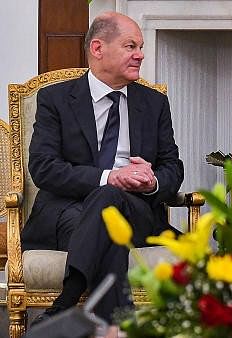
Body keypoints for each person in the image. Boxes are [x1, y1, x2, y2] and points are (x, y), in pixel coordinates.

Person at [22, 11, 184, 325]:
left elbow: (173, 169)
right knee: (108, 218)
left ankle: (66, 302)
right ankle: (118, 324)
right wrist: (110, 177)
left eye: (140, 47)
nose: (140, 55)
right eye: (130, 46)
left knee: (109, 200)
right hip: (68, 214)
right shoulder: (55, 99)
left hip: (135, 211)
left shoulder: (153, 103)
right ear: (98, 49)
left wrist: (150, 182)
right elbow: (43, 168)